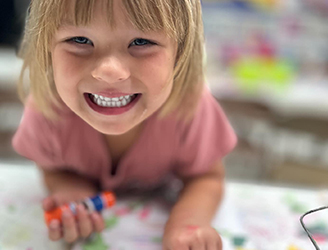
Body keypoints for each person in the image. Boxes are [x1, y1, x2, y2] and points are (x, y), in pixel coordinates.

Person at [12, 0, 237, 249]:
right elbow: (50, 166)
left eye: (141, 42)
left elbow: (206, 176)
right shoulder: (47, 109)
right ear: (47, 49)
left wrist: (187, 224)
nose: (109, 71)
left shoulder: (189, 107)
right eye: (80, 40)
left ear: (180, 53)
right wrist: (70, 186)